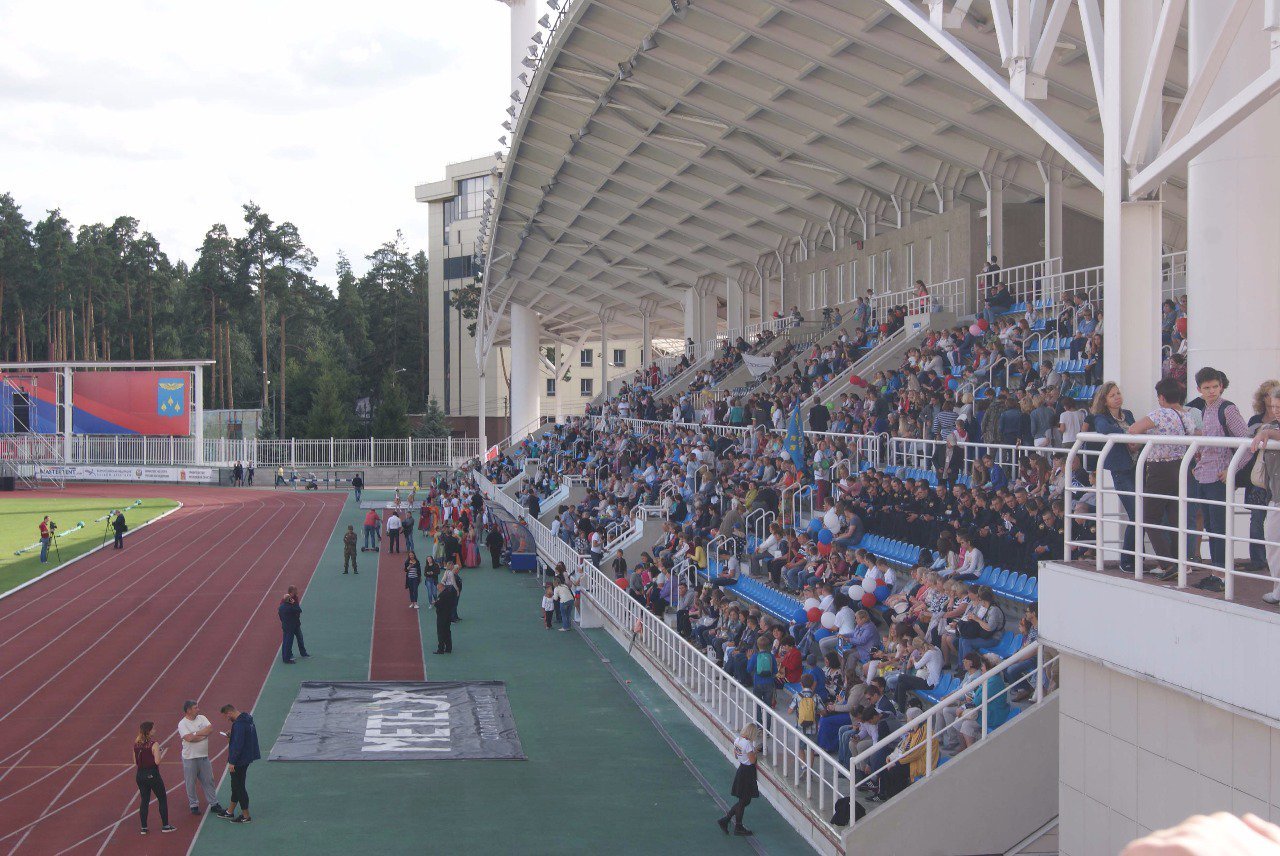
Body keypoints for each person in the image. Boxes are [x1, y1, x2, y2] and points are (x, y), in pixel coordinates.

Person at [1128, 378, 1196, 579]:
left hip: (1159, 468)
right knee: (1175, 518)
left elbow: (1133, 429)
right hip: (1180, 468)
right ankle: (1179, 561)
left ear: (1162, 397)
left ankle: (1167, 563)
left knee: (1149, 517)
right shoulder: (1187, 417)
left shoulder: (1160, 414)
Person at [1090, 383, 1138, 572]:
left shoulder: (1129, 414)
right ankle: (1127, 559)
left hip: (1137, 466)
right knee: (1136, 513)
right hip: (1121, 469)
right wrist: (1128, 434)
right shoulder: (1101, 417)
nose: (1117, 397)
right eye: (1112, 395)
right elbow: (1104, 429)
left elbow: (1138, 430)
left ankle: (1137, 557)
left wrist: (1133, 438)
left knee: (1141, 513)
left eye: (1118, 393)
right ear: (1104, 400)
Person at [1250, 386, 1280, 605]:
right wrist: (1265, 430)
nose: (1276, 410)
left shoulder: (1270, 430)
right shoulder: (1268, 427)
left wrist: (1268, 432)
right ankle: (1278, 589)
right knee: (1273, 545)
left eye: (1279, 406)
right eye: (1273, 406)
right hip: (1275, 497)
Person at [177, 700, 224, 817]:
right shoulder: (182, 723)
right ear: (188, 710)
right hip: (190, 758)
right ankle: (193, 805)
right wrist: (202, 735)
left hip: (203, 756)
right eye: (195, 708)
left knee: (209, 780)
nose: (198, 709)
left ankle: (214, 803)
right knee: (190, 783)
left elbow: (210, 729)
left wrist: (195, 734)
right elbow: (188, 738)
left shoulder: (202, 718)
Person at [217, 705, 259, 823]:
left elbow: (238, 745)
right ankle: (229, 812)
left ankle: (246, 816)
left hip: (239, 760)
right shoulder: (247, 719)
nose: (226, 719)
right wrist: (232, 735)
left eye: (226, 716)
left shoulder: (239, 724)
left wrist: (232, 762)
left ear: (229, 713)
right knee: (235, 785)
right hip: (246, 757)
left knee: (239, 787)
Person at [717, 723, 760, 836]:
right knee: (744, 801)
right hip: (748, 772)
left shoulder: (738, 740)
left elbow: (736, 756)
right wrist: (755, 752)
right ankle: (737, 826)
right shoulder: (748, 744)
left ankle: (727, 820)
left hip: (741, 770)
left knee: (744, 800)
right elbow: (752, 761)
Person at [133, 721, 176, 835]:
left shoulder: (136, 743)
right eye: (153, 729)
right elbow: (157, 761)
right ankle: (165, 826)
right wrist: (159, 753)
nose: (155, 730)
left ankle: (144, 827)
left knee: (144, 800)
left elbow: (135, 761)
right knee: (162, 798)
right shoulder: (154, 744)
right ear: (149, 731)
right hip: (152, 774)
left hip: (140, 775)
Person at [278, 585, 309, 664]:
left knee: (287, 641)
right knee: (288, 641)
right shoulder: (290, 606)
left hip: (289, 624)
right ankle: (287, 658)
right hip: (291, 625)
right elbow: (298, 609)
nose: (297, 592)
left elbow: (280, 615)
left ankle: (287, 656)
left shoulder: (282, 606)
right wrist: (293, 603)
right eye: (295, 590)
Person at [434, 564, 460, 653]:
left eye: (438, 589)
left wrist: (436, 603)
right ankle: (449, 648)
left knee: (441, 633)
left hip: (442, 617)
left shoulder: (442, 595)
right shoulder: (449, 594)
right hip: (448, 615)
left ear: (441, 588)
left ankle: (440, 649)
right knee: (447, 632)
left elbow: (438, 604)